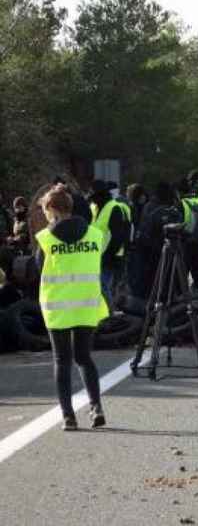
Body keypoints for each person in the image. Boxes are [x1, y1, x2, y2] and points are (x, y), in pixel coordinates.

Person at [35, 184, 107, 431]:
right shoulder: (94, 234)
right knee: (84, 358)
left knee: (62, 361)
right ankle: (96, 407)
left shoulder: (45, 238)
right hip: (87, 304)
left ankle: (68, 417)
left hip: (58, 308)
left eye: (45, 209)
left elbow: (37, 269)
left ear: (52, 209)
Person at [89, 180, 131, 307]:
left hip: (111, 257)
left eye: (94, 197)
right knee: (101, 288)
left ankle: (110, 315)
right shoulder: (94, 208)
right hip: (96, 256)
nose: (92, 200)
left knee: (103, 287)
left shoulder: (114, 208)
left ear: (101, 195)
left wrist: (107, 256)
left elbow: (118, 237)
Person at [137, 182, 183, 298]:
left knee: (152, 279)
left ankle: (153, 300)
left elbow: (144, 230)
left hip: (152, 251)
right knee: (168, 280)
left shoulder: (149, 207)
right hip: (169, 250)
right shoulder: (173, 208)